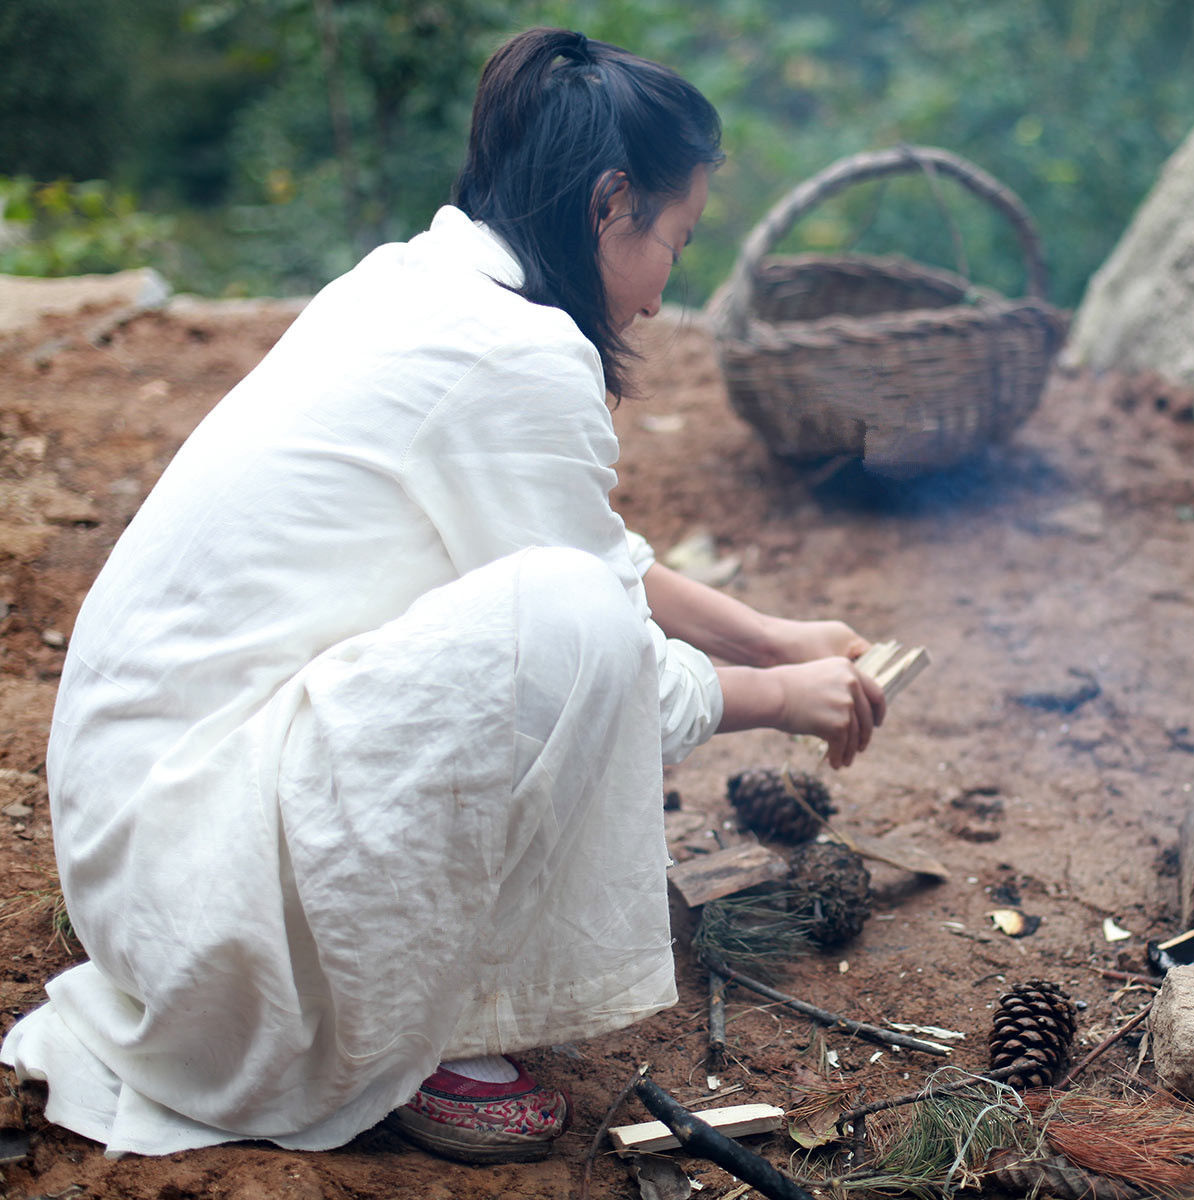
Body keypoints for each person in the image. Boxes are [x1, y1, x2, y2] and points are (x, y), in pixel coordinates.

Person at [0, 27, 886, 1166]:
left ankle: (402, 985)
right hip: (199, 901)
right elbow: (599, 645)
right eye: (678, 239)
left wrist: (770, 636)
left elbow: (596, 550)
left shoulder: (426, 282)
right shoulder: (513, 357)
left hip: (144, 834)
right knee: (560, 627)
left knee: (562, 604)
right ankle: (400, 1032)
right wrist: (778, 697)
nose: (672, 291)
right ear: (612, 204)